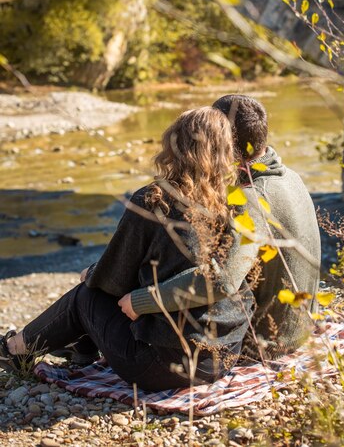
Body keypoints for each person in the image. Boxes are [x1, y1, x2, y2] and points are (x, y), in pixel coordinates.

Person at [0, 107, 253, 388]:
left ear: (174, 146)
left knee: (85, 295)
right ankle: (79, 352)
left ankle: (14, 350)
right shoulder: (237, 202)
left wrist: (93, 273)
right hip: (224, 356)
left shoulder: (155, 200)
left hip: (163, 365)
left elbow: (114, 278)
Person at [121, 95, 322, 360]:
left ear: (221, 140)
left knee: (122, 291)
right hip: (301, 327)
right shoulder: (288, 175)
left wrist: (142, 300)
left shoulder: (252, 198)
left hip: (266, 343)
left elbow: (222, 281)